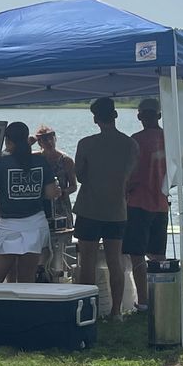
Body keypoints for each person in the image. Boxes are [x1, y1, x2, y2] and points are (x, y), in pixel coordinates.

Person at [73, 96, 137, 318]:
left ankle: (88, 309)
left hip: (89, 208)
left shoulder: (86, 143)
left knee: (87, 261)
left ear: (95, 119)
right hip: (116, 210)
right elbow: (131, 177)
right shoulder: (130, 144)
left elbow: (79, 175)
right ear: (115, 115)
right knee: (115, 260)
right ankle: (116, 311)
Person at [0, 121, 61, 283]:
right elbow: (51, 193)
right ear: (27, 139)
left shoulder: (2, 163)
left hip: (9, 224)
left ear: (8, 141)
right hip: (35, 224)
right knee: (27, 278)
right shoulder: (40, 162)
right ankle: (24, 307)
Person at [124, 97, 170, 311]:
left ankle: (143, 301)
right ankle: (160, 298)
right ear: (159, 115)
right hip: (161, 203)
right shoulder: (170, 139)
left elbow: (128, 173)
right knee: (158, 255)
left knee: (137, 254)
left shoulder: (134, 141)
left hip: (138, 202)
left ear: (140, 116)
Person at [33, 125, 79, 283]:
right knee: (41, 241)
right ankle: (41, 271)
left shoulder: (65, 160)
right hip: (40, 206)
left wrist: (63, 192)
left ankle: (60, 274)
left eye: (50, 138)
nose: (48, 142)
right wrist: (30, 141)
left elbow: (74, 185)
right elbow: (14, 154)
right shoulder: (36, 158)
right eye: (44, 139)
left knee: (60, 244)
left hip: (60, 206)